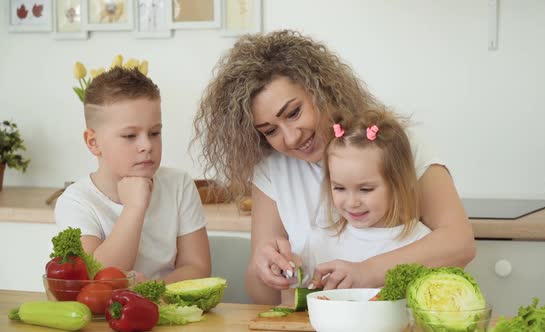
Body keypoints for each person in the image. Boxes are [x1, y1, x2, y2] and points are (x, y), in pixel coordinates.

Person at [193, 30, 475, 304]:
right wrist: (266, 269)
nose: (291, 138)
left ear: (320, 89)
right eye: (270, 130)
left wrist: (367, 272)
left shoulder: (395, 146)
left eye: (294, 113)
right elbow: (263, 298)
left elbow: (459, 242)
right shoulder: (272, 171)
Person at [55, 66, 211, 283]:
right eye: (129, 136)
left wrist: (149, 290)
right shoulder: (76, 202)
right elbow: (94, 278)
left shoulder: (178, 184)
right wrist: (134, 208)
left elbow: (197, 267)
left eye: (155, 133)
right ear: (94, 142)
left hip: (167, 308)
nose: (147, 145)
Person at [298, 108, 432, 294]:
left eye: (365, 189)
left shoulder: (423, 242)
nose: (352, 202)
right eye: (339, 188)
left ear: (398, 183)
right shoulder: (318, 242)